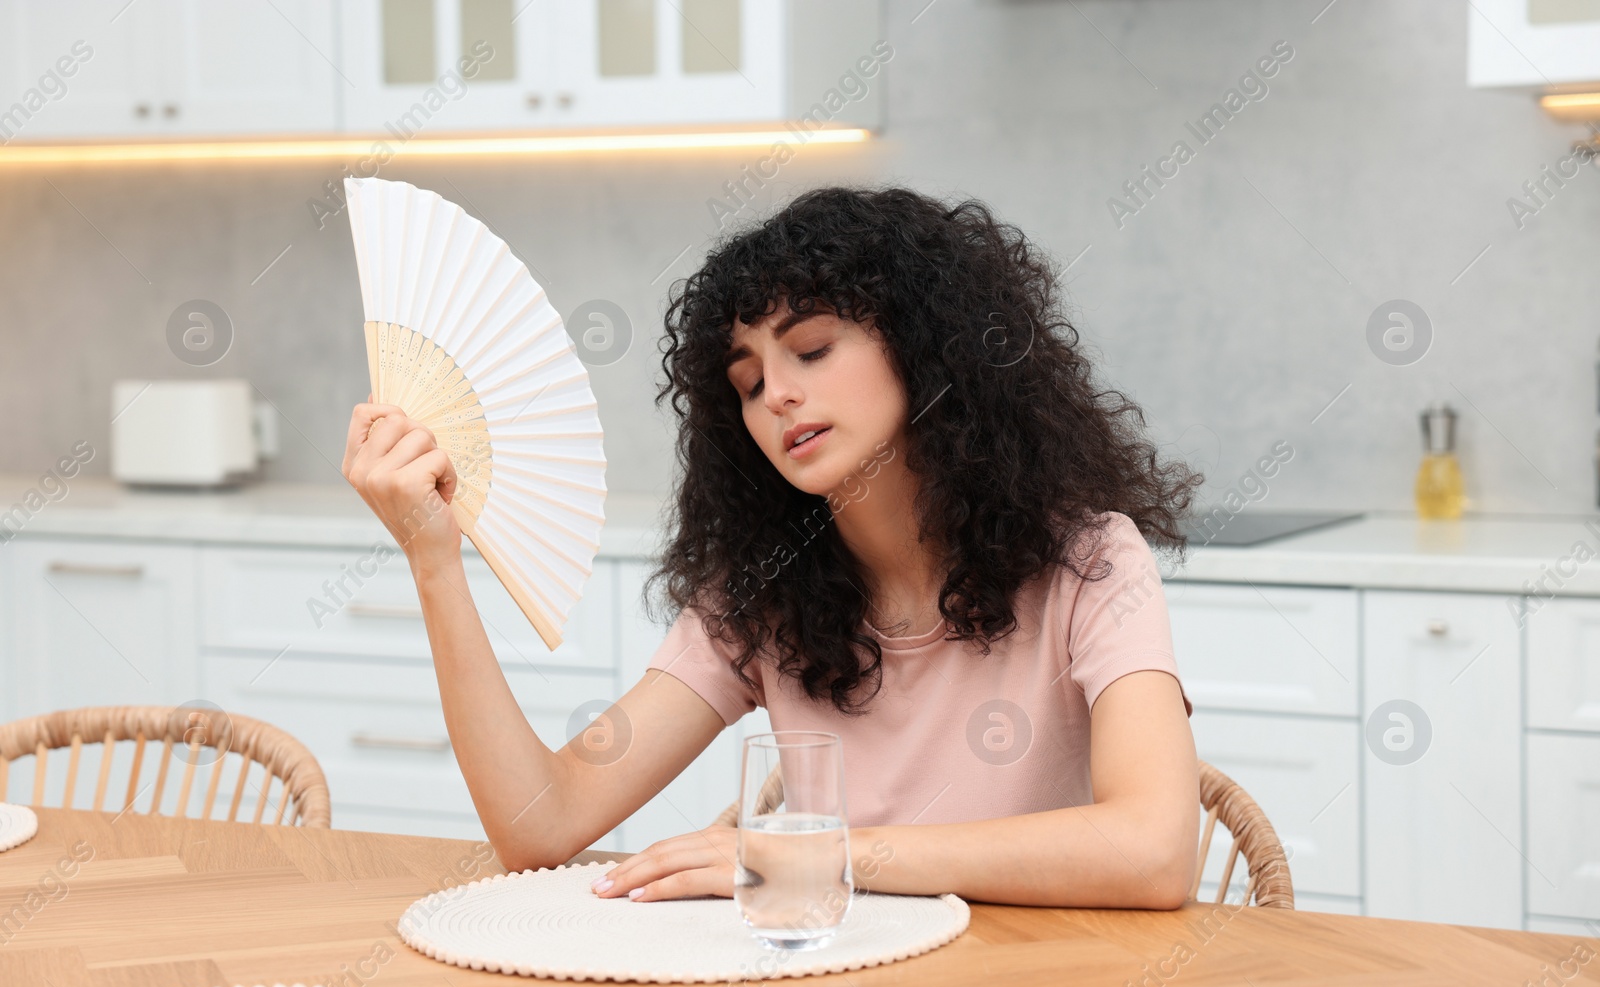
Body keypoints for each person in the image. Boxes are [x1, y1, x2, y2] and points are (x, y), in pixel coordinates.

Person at [341, 186, 1202, 909]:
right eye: (748, 383)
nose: (778, 396)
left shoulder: (1090, 561)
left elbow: (1154, 849)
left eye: (813, 350)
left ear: (930, 348)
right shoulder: (763, 595)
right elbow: (541, 822)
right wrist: (433, 556)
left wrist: (821, 856)